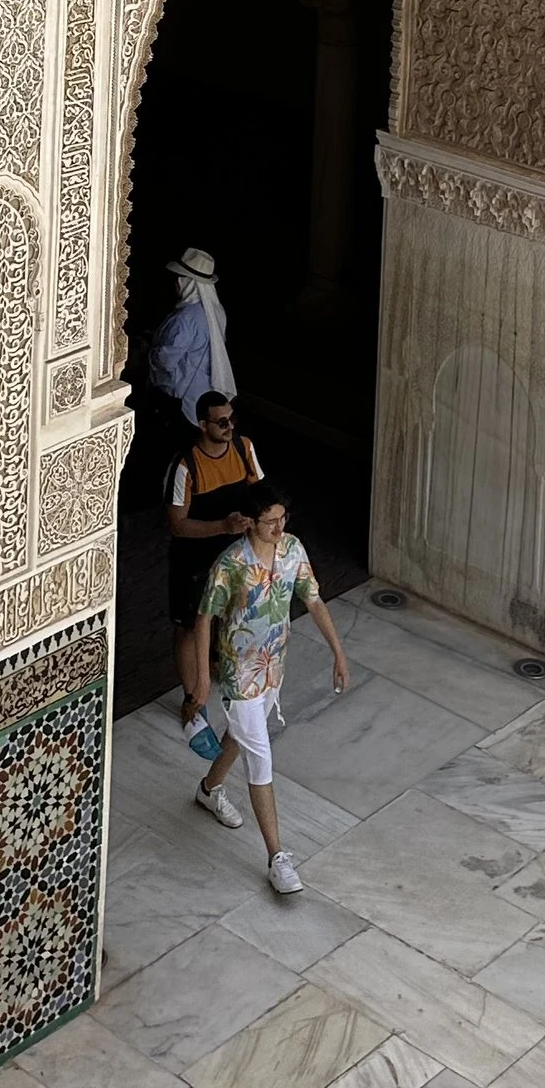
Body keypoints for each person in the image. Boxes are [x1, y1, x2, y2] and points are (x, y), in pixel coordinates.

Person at [186, 486, 349, 898]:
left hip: (273, 667)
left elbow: (313, 600)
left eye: (282, 518)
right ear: (251, 522)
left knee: (241, 738)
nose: (279, 526)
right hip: (239, 673)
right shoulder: (232, 564)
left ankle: (208, 790)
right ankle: (278, 857)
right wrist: (203, 680)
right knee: (261, 757)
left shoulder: (293, 549)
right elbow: (203, 618)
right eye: (271, 520)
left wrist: (339, 653)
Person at [165, 388, 263, 733]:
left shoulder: (244, 448)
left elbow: (261, 494)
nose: (229, 426)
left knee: (233, 616)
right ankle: (193, 699)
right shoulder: (185, 465)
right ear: (203, 424)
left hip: (234, 559)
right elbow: (177, 524)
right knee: (190, 626)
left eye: (232, 419)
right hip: (194, 563)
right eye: (222, 422)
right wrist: (222, 526)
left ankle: (219, 669)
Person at [144, 246, 234, 444]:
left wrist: (150, 351)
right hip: (206, 392)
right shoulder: (216, 312)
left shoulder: (184, 319)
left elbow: (166, 361)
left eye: (179, 278)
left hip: (182, 398)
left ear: (186, 283)